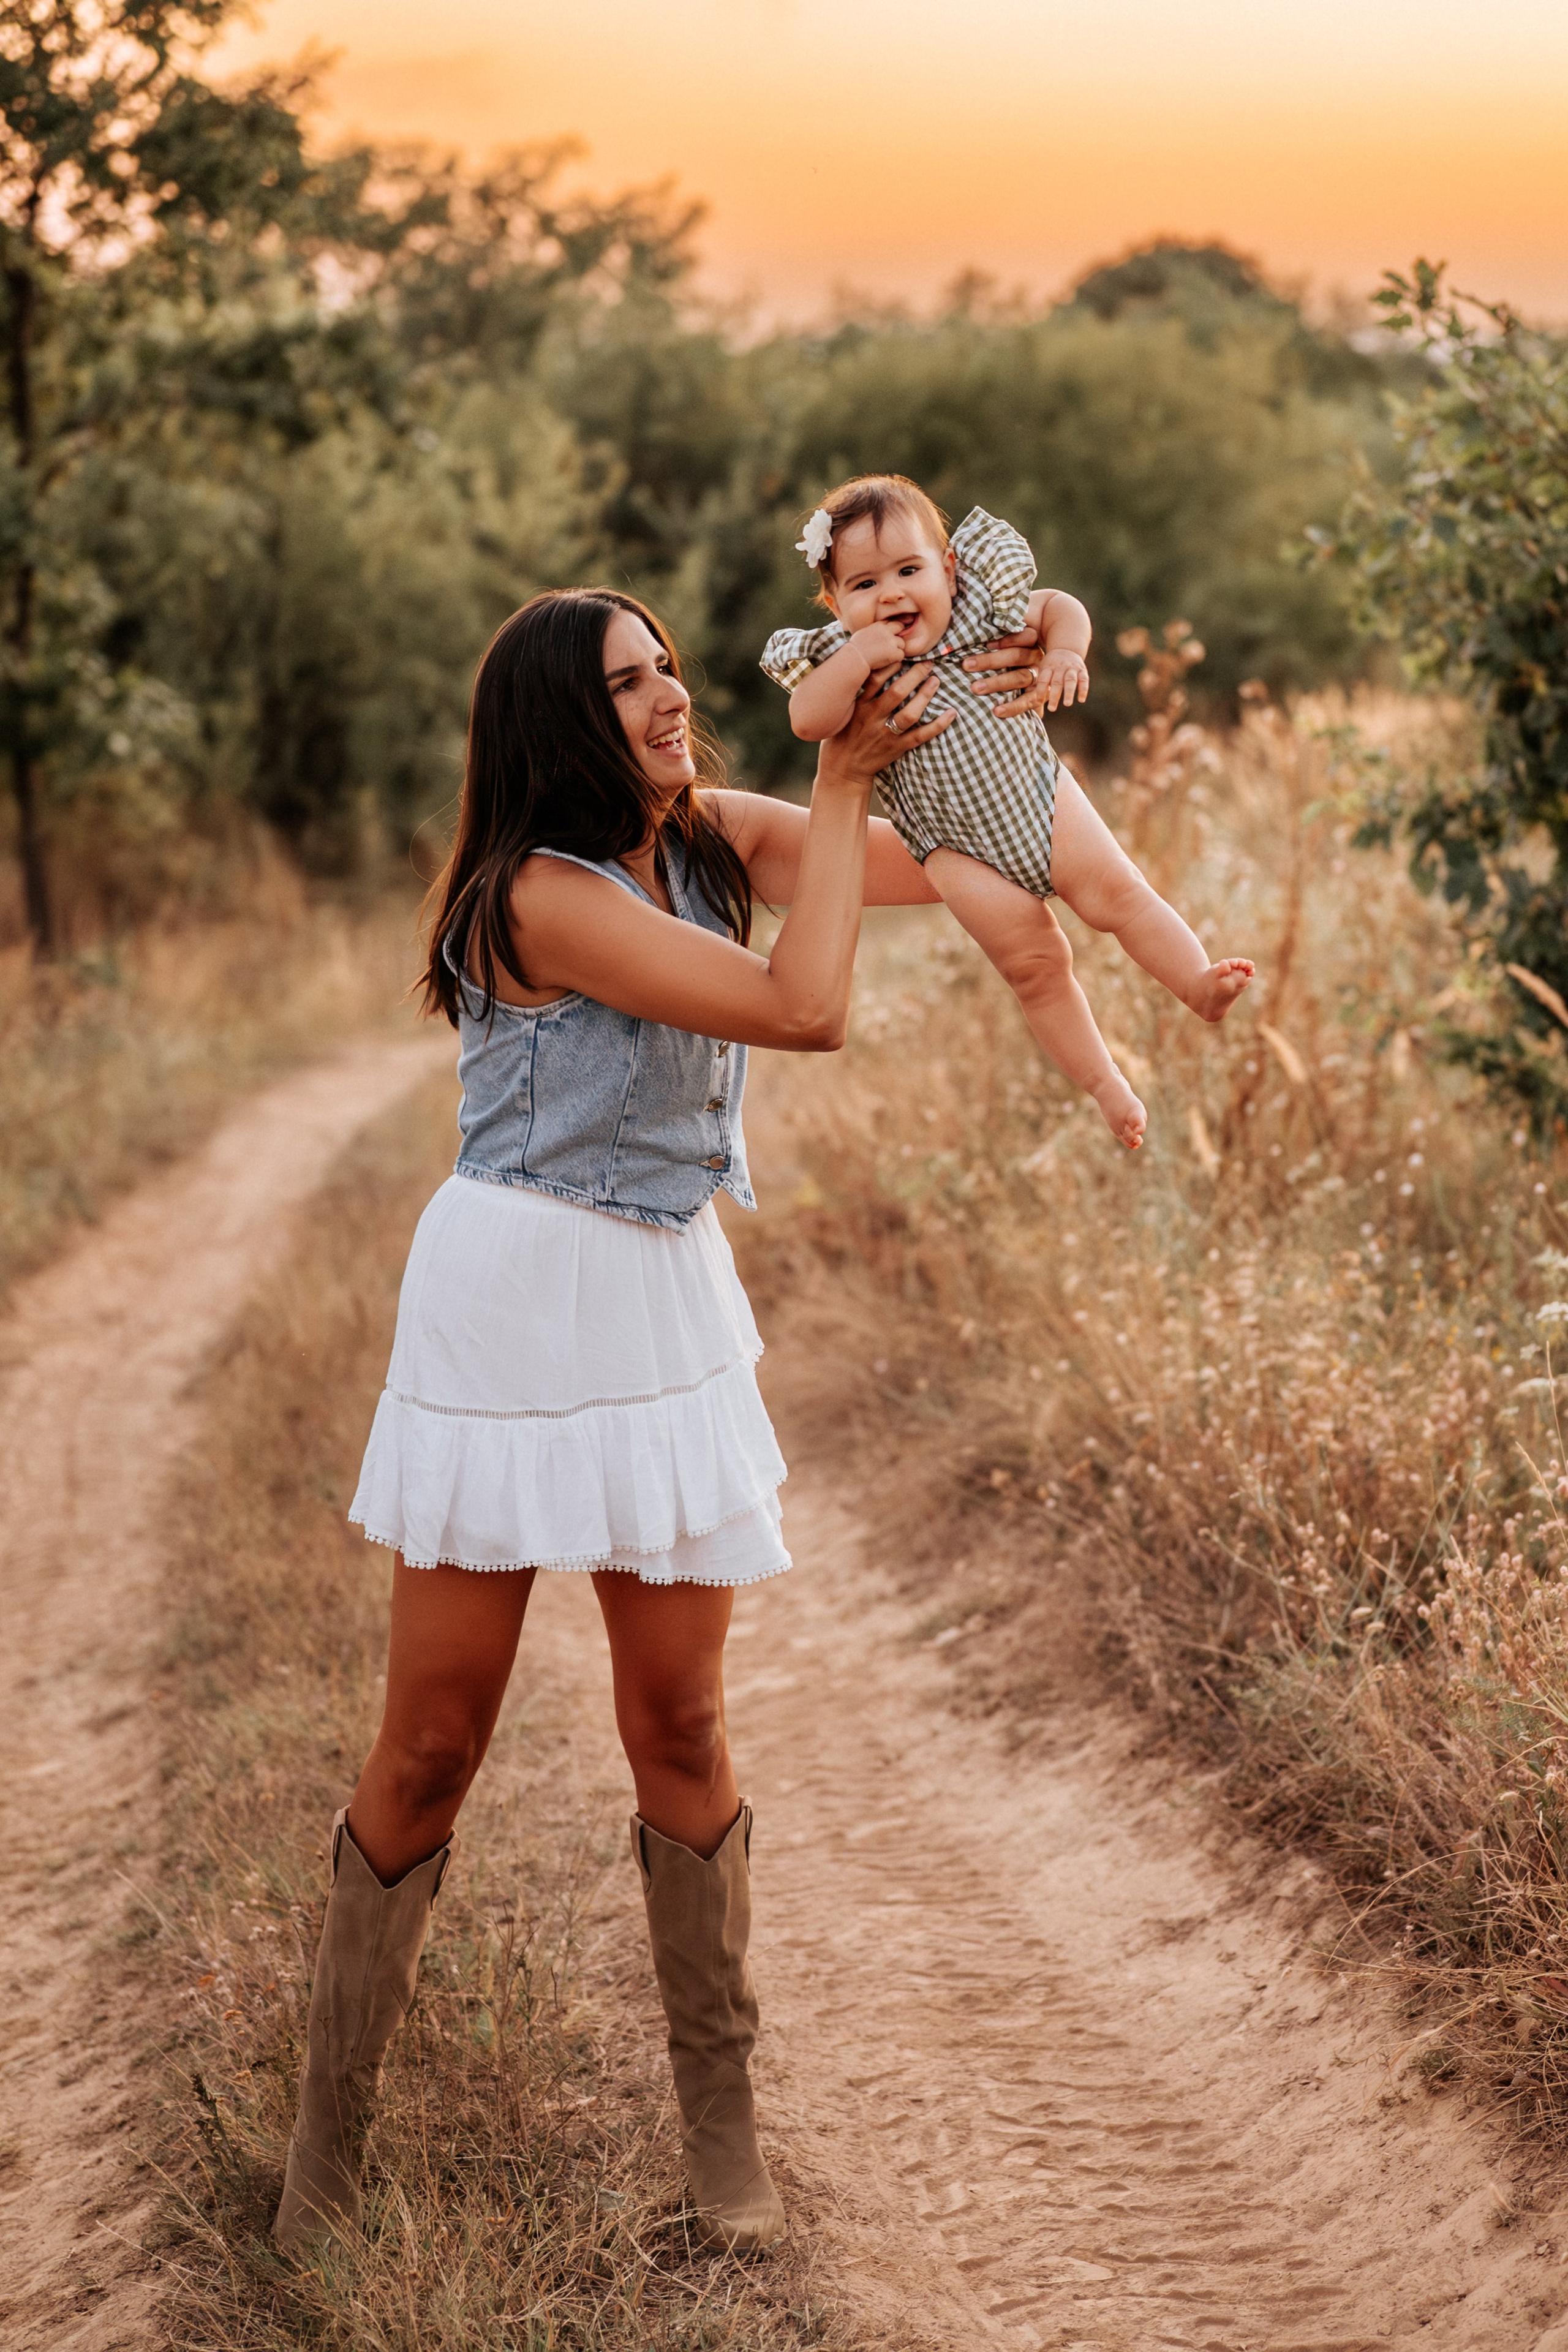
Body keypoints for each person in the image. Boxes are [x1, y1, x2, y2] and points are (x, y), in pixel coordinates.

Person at [273, 583, 1034, 2260]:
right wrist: (837, 792)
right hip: (511, 1302)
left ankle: (725, 2146)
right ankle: (323, 2166)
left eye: (673, 668)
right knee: (433, 1745)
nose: (672, 700)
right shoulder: (536, 896)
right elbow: (803, 1011)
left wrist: (999, 695)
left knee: (680, 1726)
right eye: (630, 685)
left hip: (662, 1294)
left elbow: (948, 864)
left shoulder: (703, 837)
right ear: (559, 722)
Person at [762, 474, 1255, 1149]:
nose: (892, 594)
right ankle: (1108, 1086)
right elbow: (806, 720)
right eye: (864, 584)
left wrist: (1063, 654)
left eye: (909, 570)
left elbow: (1062, 607)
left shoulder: (977, 613)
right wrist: (853, 660)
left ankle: (1197, 984)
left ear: (949, 567)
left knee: (1119, 897)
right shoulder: (843, 658)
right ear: (834, 600)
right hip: (954, 851)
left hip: (1037, 799)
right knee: (1034, 968)